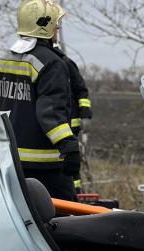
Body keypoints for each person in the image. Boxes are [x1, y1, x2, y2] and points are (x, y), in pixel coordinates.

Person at [0, 0, 79, 201]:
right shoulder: (52, 63)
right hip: (46, 165)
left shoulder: (8, 59)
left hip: (11, 159)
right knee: (67, 220)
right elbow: (50, 112)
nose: (57, 28)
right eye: (55, 23)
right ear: (44, 26)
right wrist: (69, 145)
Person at [52, 44, 92, 192]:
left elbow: (81, 90)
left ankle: (76, 192)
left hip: (70, 125)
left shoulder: (67, 64)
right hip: (55, 124)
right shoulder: (48, 65)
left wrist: (85, 115)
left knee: (71, 161)